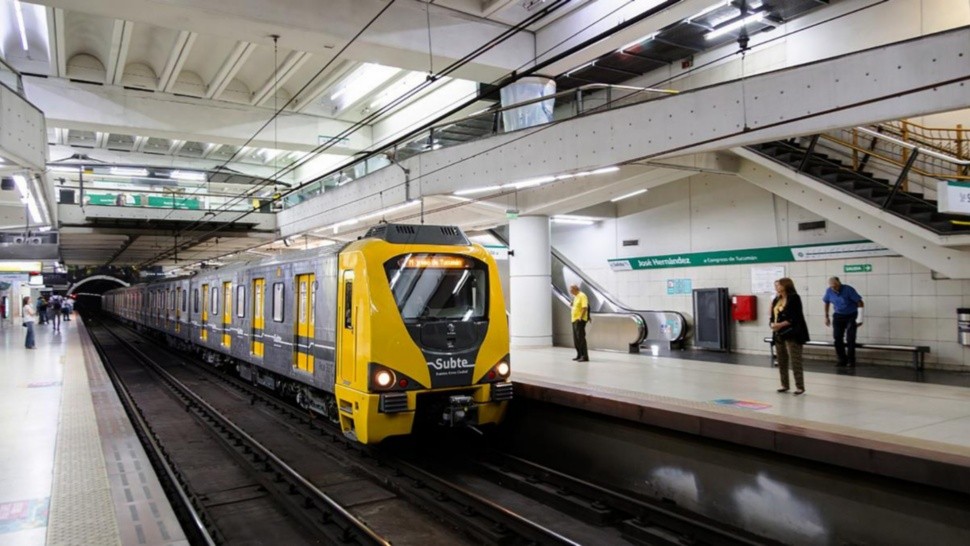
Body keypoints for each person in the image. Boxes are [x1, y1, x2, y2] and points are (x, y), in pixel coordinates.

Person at [771, 277, 809, 395]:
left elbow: (795, 317)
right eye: (775, 285)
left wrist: (781, 324)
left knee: (795, 360)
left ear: (786, 285)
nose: (776, 287)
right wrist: (772, 324)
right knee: (781, 360)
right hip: (779, 333)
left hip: (792, 332)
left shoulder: (794, 298)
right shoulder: (776, 299)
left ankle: (800, 386)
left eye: (778, 285)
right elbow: (773, 315)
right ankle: (784, 384)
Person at [823, 276, 864, 367]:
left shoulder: (848, 289)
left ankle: (851, 360)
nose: (834, 288)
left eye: (836, 286)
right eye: (832, 287)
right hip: (838, 316)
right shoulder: (829, 291)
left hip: (851, 315)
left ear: (839, 283)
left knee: (850, 338)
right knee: (837, 337)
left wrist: (860, 318)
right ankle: (842, 359)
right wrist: (826, 316)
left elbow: (860, 302)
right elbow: (826, 302)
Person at [569, 284, 590, 362]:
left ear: (575, 289)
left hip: (579, 320)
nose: (570, 291)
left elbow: (585, 307)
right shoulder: (576, 296)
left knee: (581, 338)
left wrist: (580, 317)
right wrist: (572, 304)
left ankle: (585, 356)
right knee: (576, 339)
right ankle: (579, 354)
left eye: (571, 290)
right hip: (574, 320)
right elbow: (576, 306)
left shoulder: (582, 295)